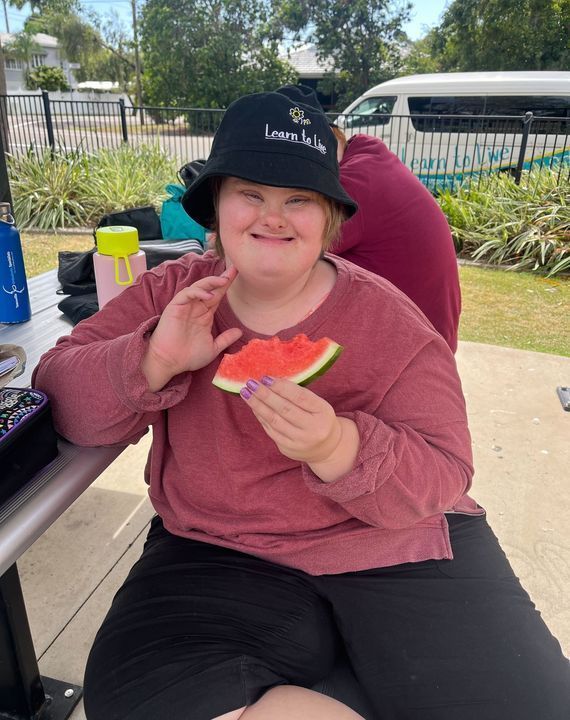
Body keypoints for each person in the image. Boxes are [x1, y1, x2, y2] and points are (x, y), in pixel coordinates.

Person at [32, 91, 569, 720]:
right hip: (219, 547)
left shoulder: (389, 318)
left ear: (330, 218)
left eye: (298, 199)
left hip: (391, 541)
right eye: (250, 194)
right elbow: (59, 396)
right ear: (217, 206)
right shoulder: (171, 291)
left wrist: (341, 449)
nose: (272, 216)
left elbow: (445, 472)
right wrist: (154, 358)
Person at [276, 84, 461, 352]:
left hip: (412, 347)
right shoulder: (366, 158)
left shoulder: (353, 184)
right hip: (424, 331)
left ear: (328, 140)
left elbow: (280, 261)